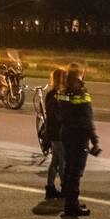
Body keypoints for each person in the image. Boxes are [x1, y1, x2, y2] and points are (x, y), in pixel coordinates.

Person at [57, 63, 100, 218]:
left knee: (69, 170)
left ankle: (71, 202)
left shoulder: (63, 92)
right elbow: (87, 119)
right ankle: (71, 206)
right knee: (76, 172)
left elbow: (61, 114)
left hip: (67, 135)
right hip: (79, 138)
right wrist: (95, 140)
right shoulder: (81, 93)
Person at [43, 67, 66, 199]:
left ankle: (50, 187)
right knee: (62, 162)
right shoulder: (56, 95)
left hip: (54, 132)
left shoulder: (52, 94)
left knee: (56, 161)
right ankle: (64, 188)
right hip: (58, 133)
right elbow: (56, 115)